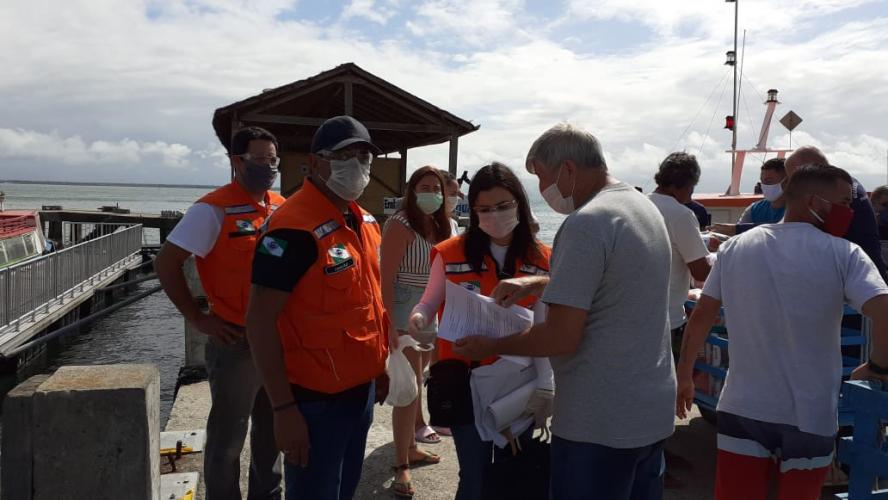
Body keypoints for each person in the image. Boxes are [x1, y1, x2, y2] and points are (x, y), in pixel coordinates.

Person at [455, 124, 676, 500]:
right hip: (651, 413)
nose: (542, 191)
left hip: (599, 423)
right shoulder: (642, 207)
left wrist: (489, 344)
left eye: (542, 177)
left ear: (568, 170)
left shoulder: (587, 223)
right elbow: (616, 285)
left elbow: (560, 336)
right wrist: (540, 283)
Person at [676, 164, 888, 499]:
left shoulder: (735, 248)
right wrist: (878, 366)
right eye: (845, 202)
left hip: (744, 407)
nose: (850, 211)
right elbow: (884, 310)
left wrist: (685, 374)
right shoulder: (844, 254)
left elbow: (703, 314)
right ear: (814, 201)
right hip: (810, 413)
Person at [244, 116, 388, 500]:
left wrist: (381, 366)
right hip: (312, 402)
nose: (357, 165)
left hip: (360, 393)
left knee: (345, 489)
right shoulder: (293, 227)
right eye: (344, 155)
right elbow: (259, 322)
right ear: (315, 162)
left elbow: (371, 302)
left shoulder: (364, 221)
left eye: (364, 155)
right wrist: (283, 409)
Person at [408, 162, 553, 500]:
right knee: (473, 476)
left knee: (511, 475)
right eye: (484, 210)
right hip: (462, 380)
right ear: (473, 212)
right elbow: (428, 303)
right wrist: (419, 319)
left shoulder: (542, 259)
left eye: (503, 206)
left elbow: (546, 326)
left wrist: (546, 386)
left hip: (518, 385)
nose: (495, 216)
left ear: (519, 202)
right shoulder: (449, 253)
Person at [155, 126, 284, 499]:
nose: (267, 166)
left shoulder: (282, 206)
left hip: (279, 341)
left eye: (272, 160)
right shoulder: (211, 209)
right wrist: (197, 318)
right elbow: (166, 263)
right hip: (236, 342)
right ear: (236, 161)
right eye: (258, 159)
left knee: (271, 432)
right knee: (228, 438)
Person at [380, 166, 452, 498]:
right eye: (424, 186)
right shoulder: (399, 224)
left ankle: (410, 446)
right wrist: (389, 324)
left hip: (431, 311)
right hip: (403, 313)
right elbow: (386, 277)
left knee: (417, 381)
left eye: (436, 187)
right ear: (412, 190)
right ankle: (401, 467)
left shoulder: (445, 225)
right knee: (407, 391)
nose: (431, 192)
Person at [784, 146, 887, 283]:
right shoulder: (847, 186)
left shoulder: (838, 197)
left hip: (858, 278)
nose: (794, 185)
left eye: (796, 177)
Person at [711, 158, 787, 236]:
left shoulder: (796, 209)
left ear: (787, 181)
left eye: (769, 181)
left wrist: (736, 229)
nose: (764, 186)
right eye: (762, 181)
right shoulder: (754, 209)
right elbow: (738, 236)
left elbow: (783, 230)